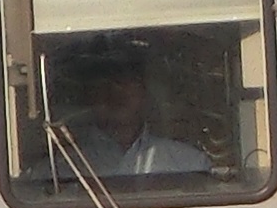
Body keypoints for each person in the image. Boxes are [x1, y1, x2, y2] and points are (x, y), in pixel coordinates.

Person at [58, 39, 210, 179]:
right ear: (87, 94)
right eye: (103, 81)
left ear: (144, 89)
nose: (115, 90)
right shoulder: (57, 171)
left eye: (125, 78)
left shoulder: (189, 164)